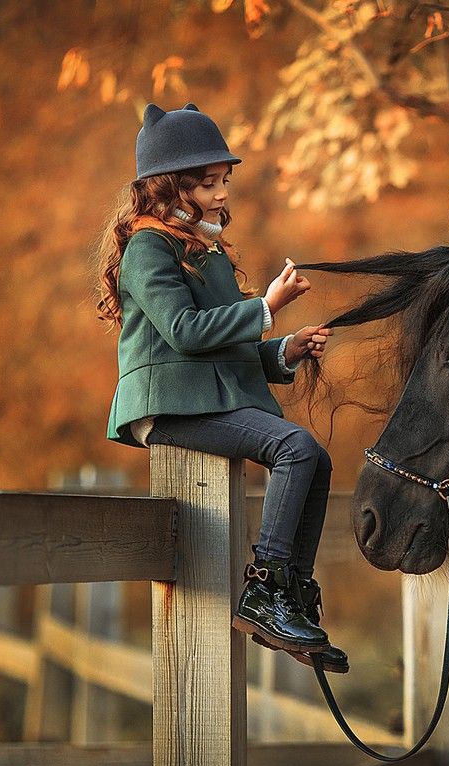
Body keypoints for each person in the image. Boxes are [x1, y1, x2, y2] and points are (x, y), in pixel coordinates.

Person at [96, 102, 347, 673]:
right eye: (207, 185)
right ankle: (263, 593)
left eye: (223, 182)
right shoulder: (148, 248)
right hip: (169, 405)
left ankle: (290, 597)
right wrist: (265, 307)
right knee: (295, 447)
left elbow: (222, 349)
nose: (220, 195)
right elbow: (184, 334)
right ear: (165, 189)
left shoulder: (204, 253)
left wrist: (283, 350)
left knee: (319, 459)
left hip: (202, 395)